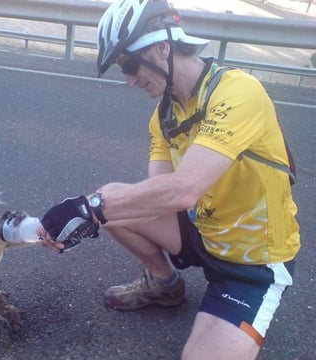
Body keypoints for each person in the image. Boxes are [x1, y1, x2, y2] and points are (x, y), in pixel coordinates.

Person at [38, 0, 300, 359]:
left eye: (130, 65)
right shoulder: (164, 115)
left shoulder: (238, 92)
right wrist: (91, 208)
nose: (130, 79)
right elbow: (156, 195)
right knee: (113, 199)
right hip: (203, 232)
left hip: (251, 263)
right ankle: (164, 285)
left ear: (163, 46)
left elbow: (183, 190)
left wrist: (92, 208)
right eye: (123, 70)